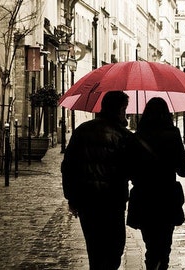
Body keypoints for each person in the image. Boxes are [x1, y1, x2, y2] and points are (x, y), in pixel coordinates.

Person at [61, 91, 134, 270]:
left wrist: (71, 197)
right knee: (114, 248)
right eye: (124, 109)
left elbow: (68, 166)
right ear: (119, 109)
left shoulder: (83, 130)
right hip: (112, 200)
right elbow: (131, 168)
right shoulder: (123, 136)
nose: (126, 113)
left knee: (95, 249)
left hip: (87, 200)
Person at [127, 97, 185, 270]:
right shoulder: (173, 134)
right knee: (164, 246)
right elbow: (183, 170)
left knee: (151, 245)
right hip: (166, 197)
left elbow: (129, 170)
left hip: (144, 198)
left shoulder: (136, 138)